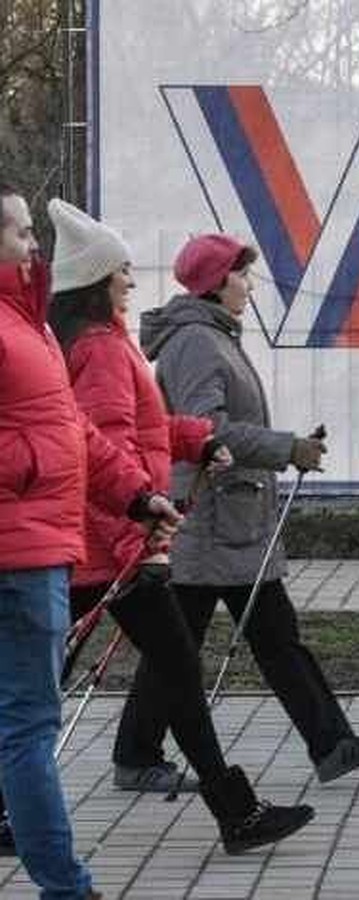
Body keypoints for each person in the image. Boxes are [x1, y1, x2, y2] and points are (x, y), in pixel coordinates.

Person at [39, 199, 315, 856]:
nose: (133, 282)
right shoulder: (103, 350)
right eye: (122, 272)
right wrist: (141, 519)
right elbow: (102, 446)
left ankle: (234, 810)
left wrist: (192, 439)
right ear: (97, 283)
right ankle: (233, 810)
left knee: (156, 669)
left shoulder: (105, 345)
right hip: (113, 544)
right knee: (52, 677)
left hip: (111, 541)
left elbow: (138, 430)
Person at [115, 233, 359, 785]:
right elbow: (208, 429)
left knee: (262, 639)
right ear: (216, 283)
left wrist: (283, 446)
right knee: (188, 647)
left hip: (230, 523)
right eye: (241, 275)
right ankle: (137, 756)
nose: (249, 285)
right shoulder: (197, 340)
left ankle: (331, 744)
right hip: (210, 520)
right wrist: (285, 447)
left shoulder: (214, 333)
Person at [0, 183, 175, 899]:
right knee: (28, 730)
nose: (31, 243)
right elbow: (49, 443)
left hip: (36, 552)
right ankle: (65, 887)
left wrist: (136, 496)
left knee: (19, 726)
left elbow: (75, 432)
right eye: (15, 232)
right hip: (22, 557)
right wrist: (30, 468)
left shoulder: (28, 327)